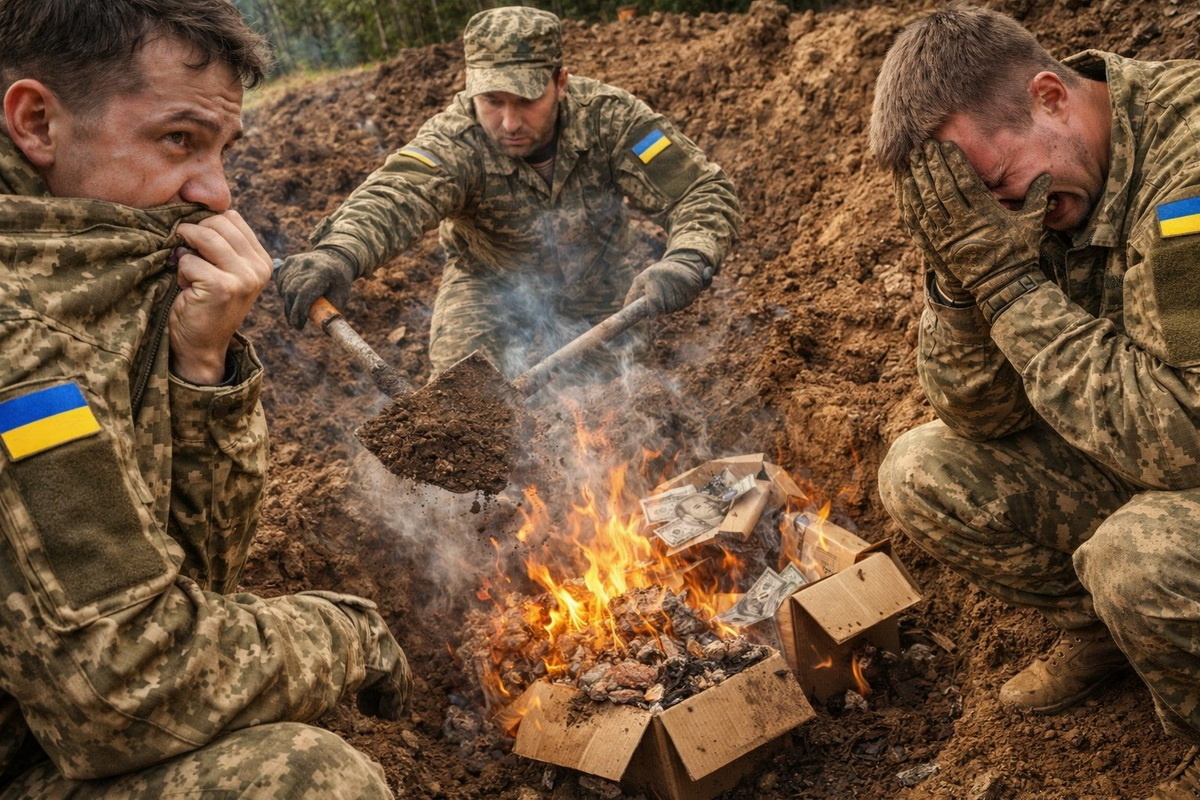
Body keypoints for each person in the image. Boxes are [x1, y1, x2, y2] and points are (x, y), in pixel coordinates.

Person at [0, 2, 411, 797]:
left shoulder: (87, 263)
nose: (217, 194)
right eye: (178, 140)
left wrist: (201, 370)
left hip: (36, 722)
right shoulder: (23, 342)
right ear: (37, 123)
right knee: (309, 780)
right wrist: (350, 636)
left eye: (223, 149)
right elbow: (126, 689)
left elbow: (196, 585)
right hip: (51, 733)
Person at [869, 5, 1200, 796]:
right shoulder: (1040, 189)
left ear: (1050, 96)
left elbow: (1184, 439)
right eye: (968, 205)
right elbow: (979, 416)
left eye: (993, 184)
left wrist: (1006, 285)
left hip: (1179, 434)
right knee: (921, 470)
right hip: (1139, 430)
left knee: (1140, 562)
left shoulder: (1189, 192)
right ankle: (1110, 637)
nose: (1001, 213)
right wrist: (957, 278)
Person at [275, 6, 741, 378]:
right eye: (493, 102)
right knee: (463, 403)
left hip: (598, 279)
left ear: (560, 82)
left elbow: (698, 189)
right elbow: (397, 194)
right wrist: (339, 252)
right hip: (487, 283)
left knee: (617, 404)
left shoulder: (611, 118)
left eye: (526, 101)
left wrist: (689, 257)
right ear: (471, 88)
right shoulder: (455, 140)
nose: (509, 123)